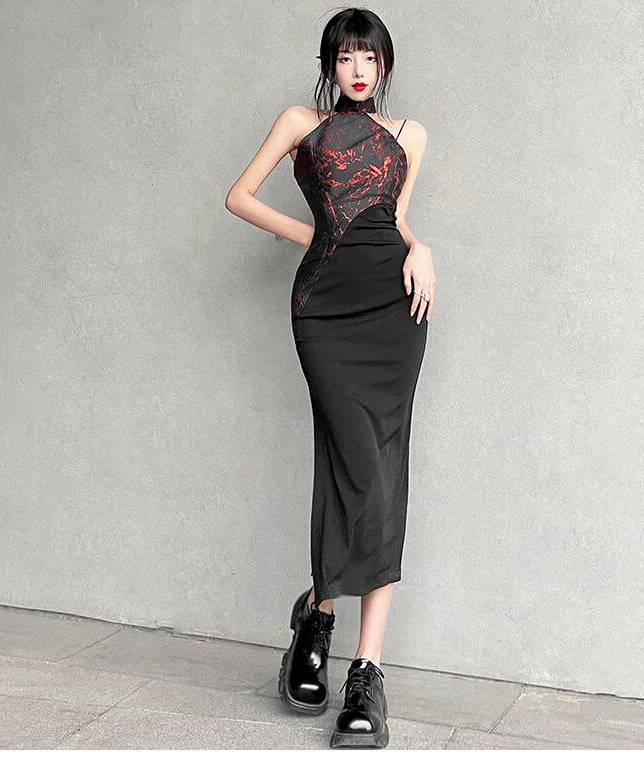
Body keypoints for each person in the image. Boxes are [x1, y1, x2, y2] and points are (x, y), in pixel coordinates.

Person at [225, 8, 435, 749]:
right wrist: (313, 235)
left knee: (381, 472)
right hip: (325, 308)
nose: (358, 69)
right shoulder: (299, 124)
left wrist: (422, 247)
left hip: (394, 309)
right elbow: (239, 196)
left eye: (369, 57)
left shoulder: (409, 135)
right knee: (353, 467)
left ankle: (364, 674)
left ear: (384, 66)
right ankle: (318, 614)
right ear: (329, 64)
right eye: (345, 57)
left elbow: (395, 218)